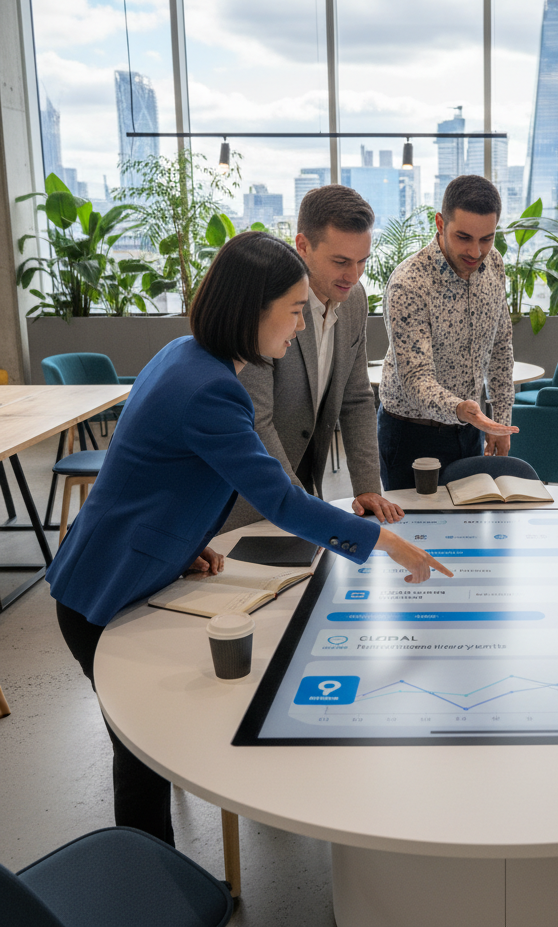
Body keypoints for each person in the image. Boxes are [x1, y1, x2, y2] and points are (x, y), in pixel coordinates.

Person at [48, 232, 452, 846]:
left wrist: (184, 545)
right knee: (141, 748)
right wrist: (383, 542)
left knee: (149, 741)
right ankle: (147, 879)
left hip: (124, 563)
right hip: (102, 588)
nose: (298, 325)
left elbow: (153, 479)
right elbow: (283, 501)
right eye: (292, 309)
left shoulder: (183, 354)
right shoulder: (211, 389)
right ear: (251, 309)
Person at [223, 185, 400, 532]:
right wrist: (303, 511)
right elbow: (258, 421)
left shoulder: (354, 299)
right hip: (248, 499)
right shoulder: (266, 302)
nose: (354, 275)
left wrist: (366, 487)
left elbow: (356, 398)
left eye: (362, 261)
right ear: (302, 245)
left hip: (304, 482)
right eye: (341, 262)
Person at [377, 174, 517, 491]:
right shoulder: (409, 283)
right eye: (463, 237)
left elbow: (500, 348)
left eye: (486, 238)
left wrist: (500, 423)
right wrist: (459, 409)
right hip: (411, 433)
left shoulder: (494, 264)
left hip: (470, 429)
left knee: (468, 531)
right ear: (440, 223)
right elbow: (415, 379)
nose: (476, 251)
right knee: (413, 534)